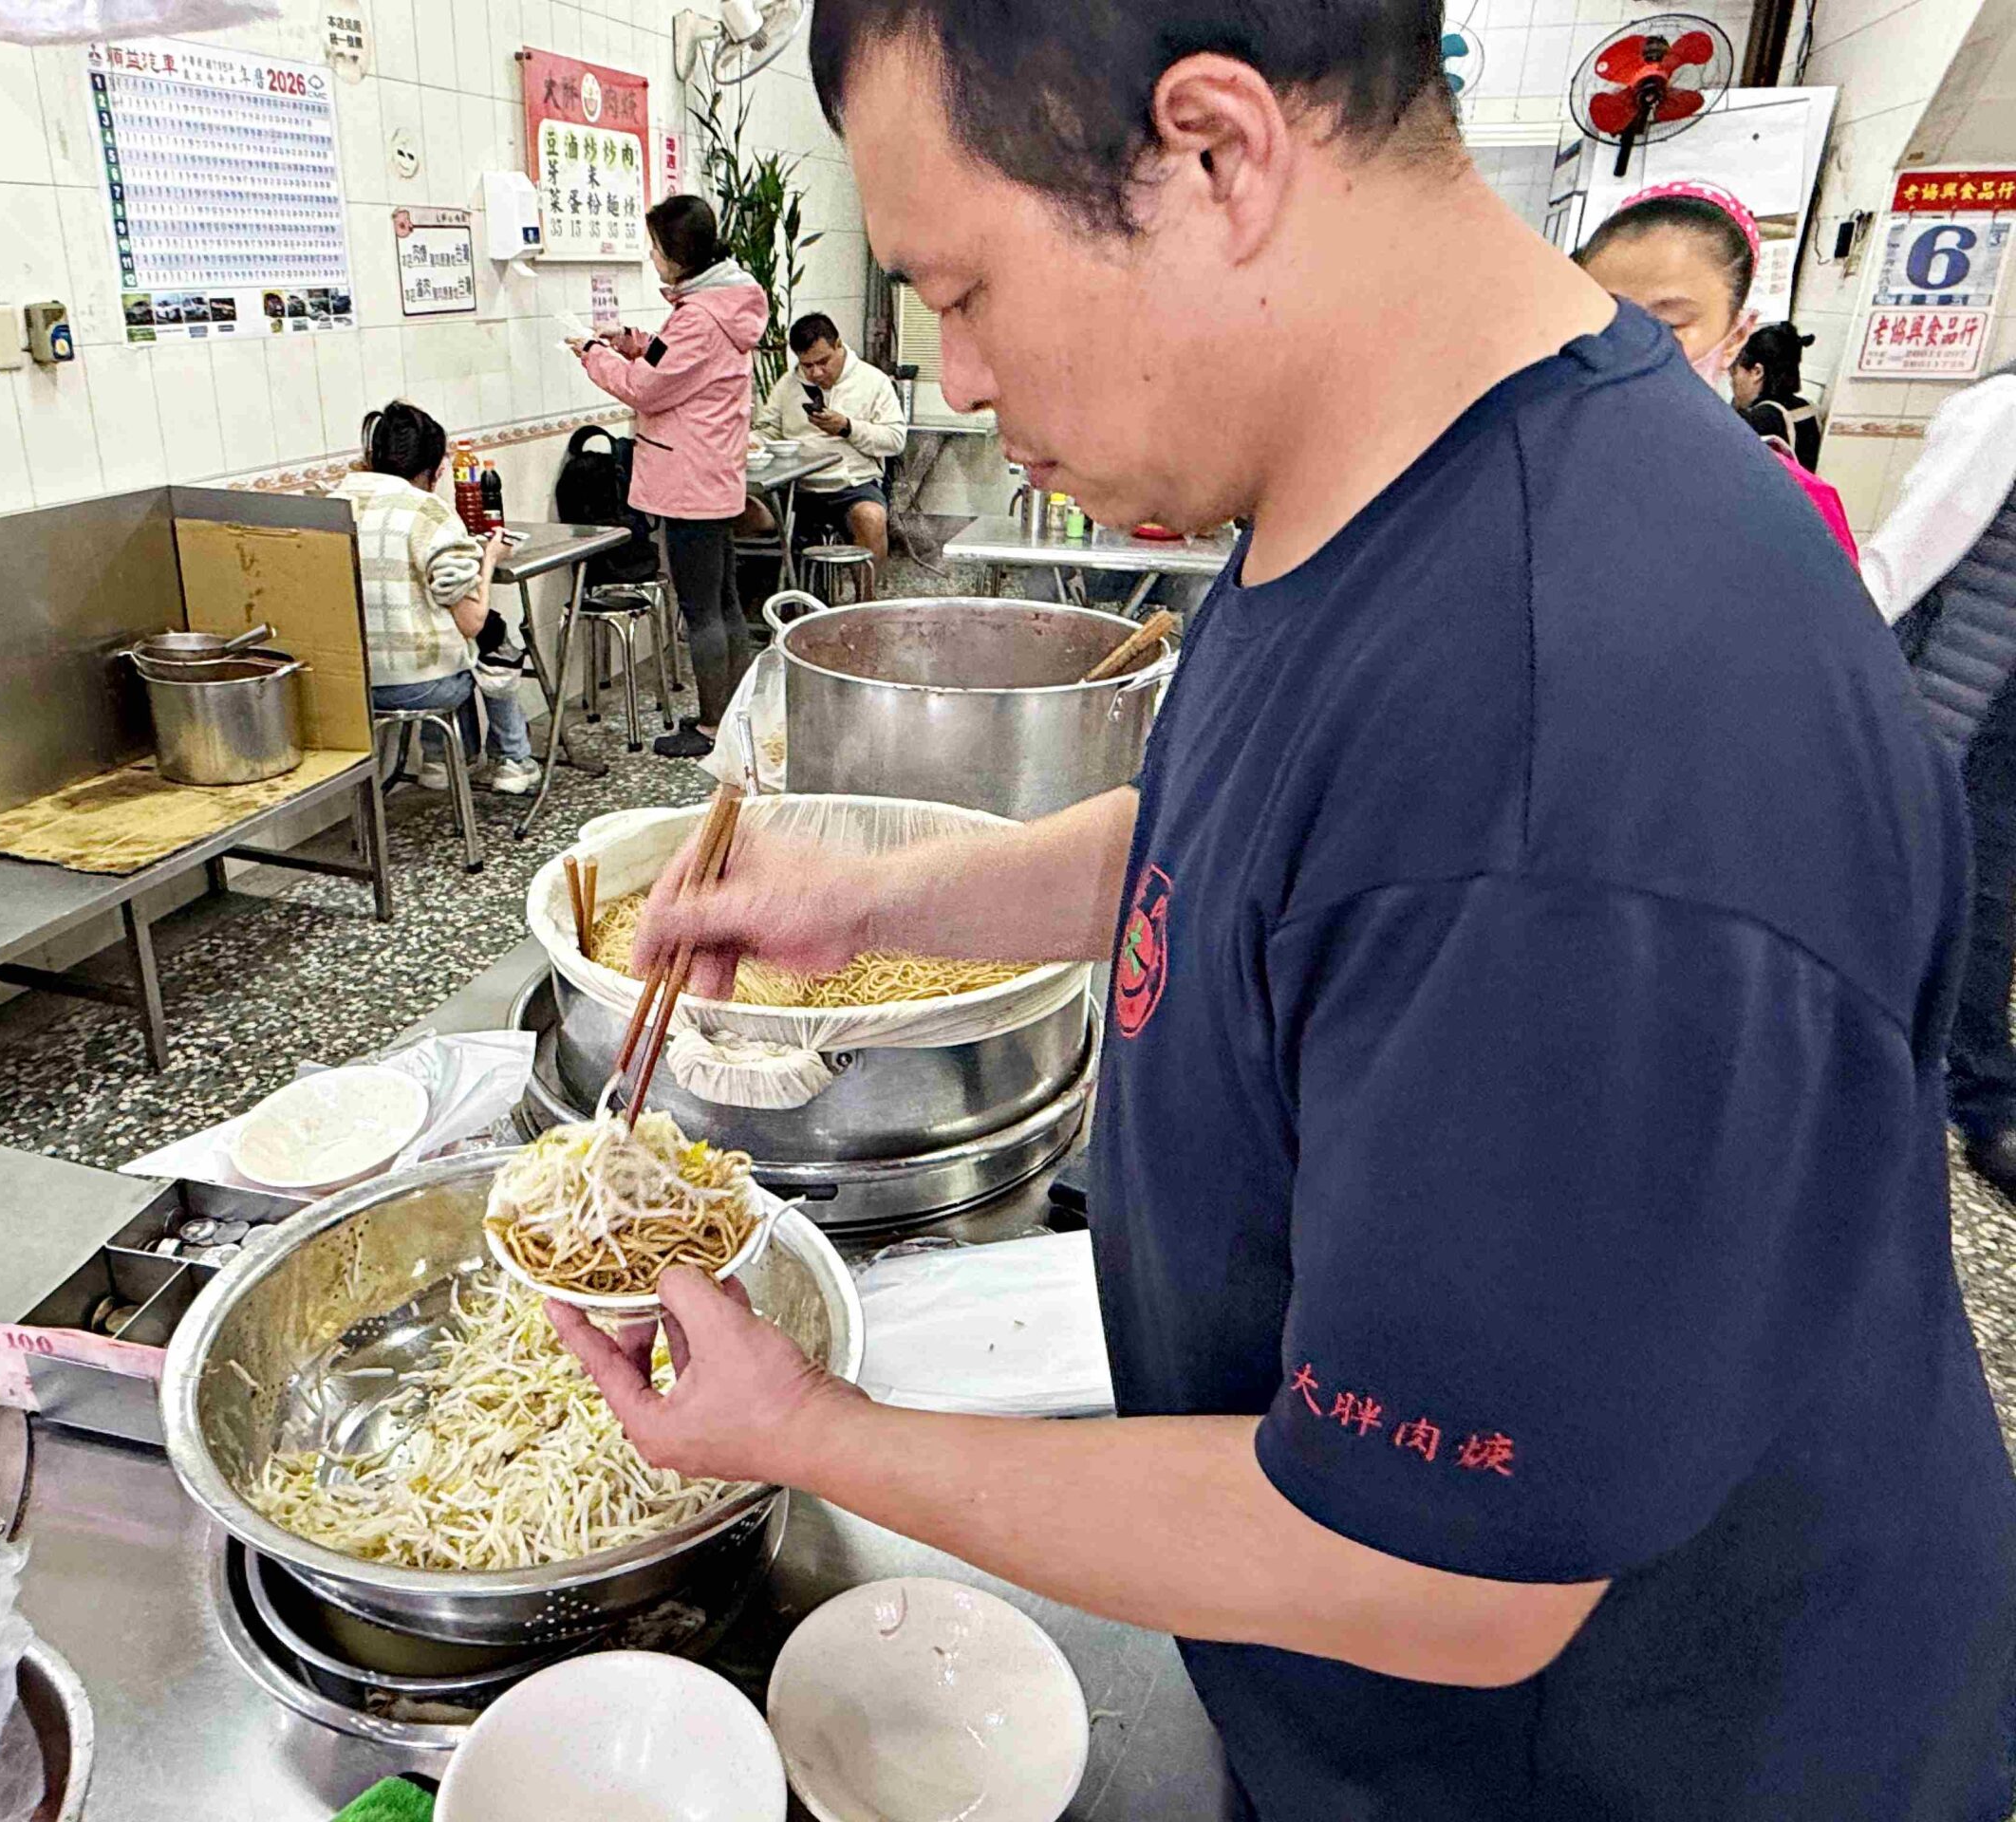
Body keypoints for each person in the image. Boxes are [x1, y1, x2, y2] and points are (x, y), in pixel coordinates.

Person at [545, 1, 2016, 1816]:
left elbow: (1443, 1576)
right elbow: (1239, 841)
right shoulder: (1375, 483)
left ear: (1216, 154)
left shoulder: (1590, 741)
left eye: (968, 292)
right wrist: (871, 902)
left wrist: (803, 1432)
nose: (965, 378)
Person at [1868, 362, 2016, 1196]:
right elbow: (1904, 557)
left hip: (1996, 715)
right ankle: (1989, 1103)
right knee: (1975, 902)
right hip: (1960, 704)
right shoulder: (2005, 411)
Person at [569, 195, 767, 760]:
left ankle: (710, 727)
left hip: (688, 482)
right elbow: (669, 362)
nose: (651, 256)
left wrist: (591, 353)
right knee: (724, 600)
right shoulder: (723, 302)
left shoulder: (700, 318)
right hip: (713, 474)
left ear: (679, 255)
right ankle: (733, 713)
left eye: (655, 247)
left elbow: (645, 388)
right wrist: (632, 341)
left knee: (702, 608)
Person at [1576, 181, 1857, 559]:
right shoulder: (1531, 460)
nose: (1625, 343)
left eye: (1667, 325)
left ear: (1736, 336)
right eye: (1600, 317)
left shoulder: (1787, 505)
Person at [331, 401, 538, 795]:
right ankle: (513, 760)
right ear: (437, 469)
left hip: (348, 683)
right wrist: (489, 558)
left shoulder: (332, 504)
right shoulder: (429, 513)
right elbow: (470, 622)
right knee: (490, 635)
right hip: (421, 686)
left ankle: (441, 759)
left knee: (437, 636)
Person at [742, 312, 907, 570]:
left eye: (823, 362)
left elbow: (895, 440)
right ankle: (774, 597)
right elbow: (768, 430)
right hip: (796, 487)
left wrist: (848, 428)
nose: (816, 373)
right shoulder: (788, 384)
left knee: (871, 518)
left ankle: (867, 605)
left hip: (852, 484)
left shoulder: (873, 381)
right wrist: (752, 442)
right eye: (807, 365)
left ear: (838, 345)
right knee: (739, 510)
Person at [1731, 321, 1823, 468]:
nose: (1733, 382)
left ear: (1757, 372)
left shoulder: (1761, 419)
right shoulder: (1809, 408)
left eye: (1734, 372)